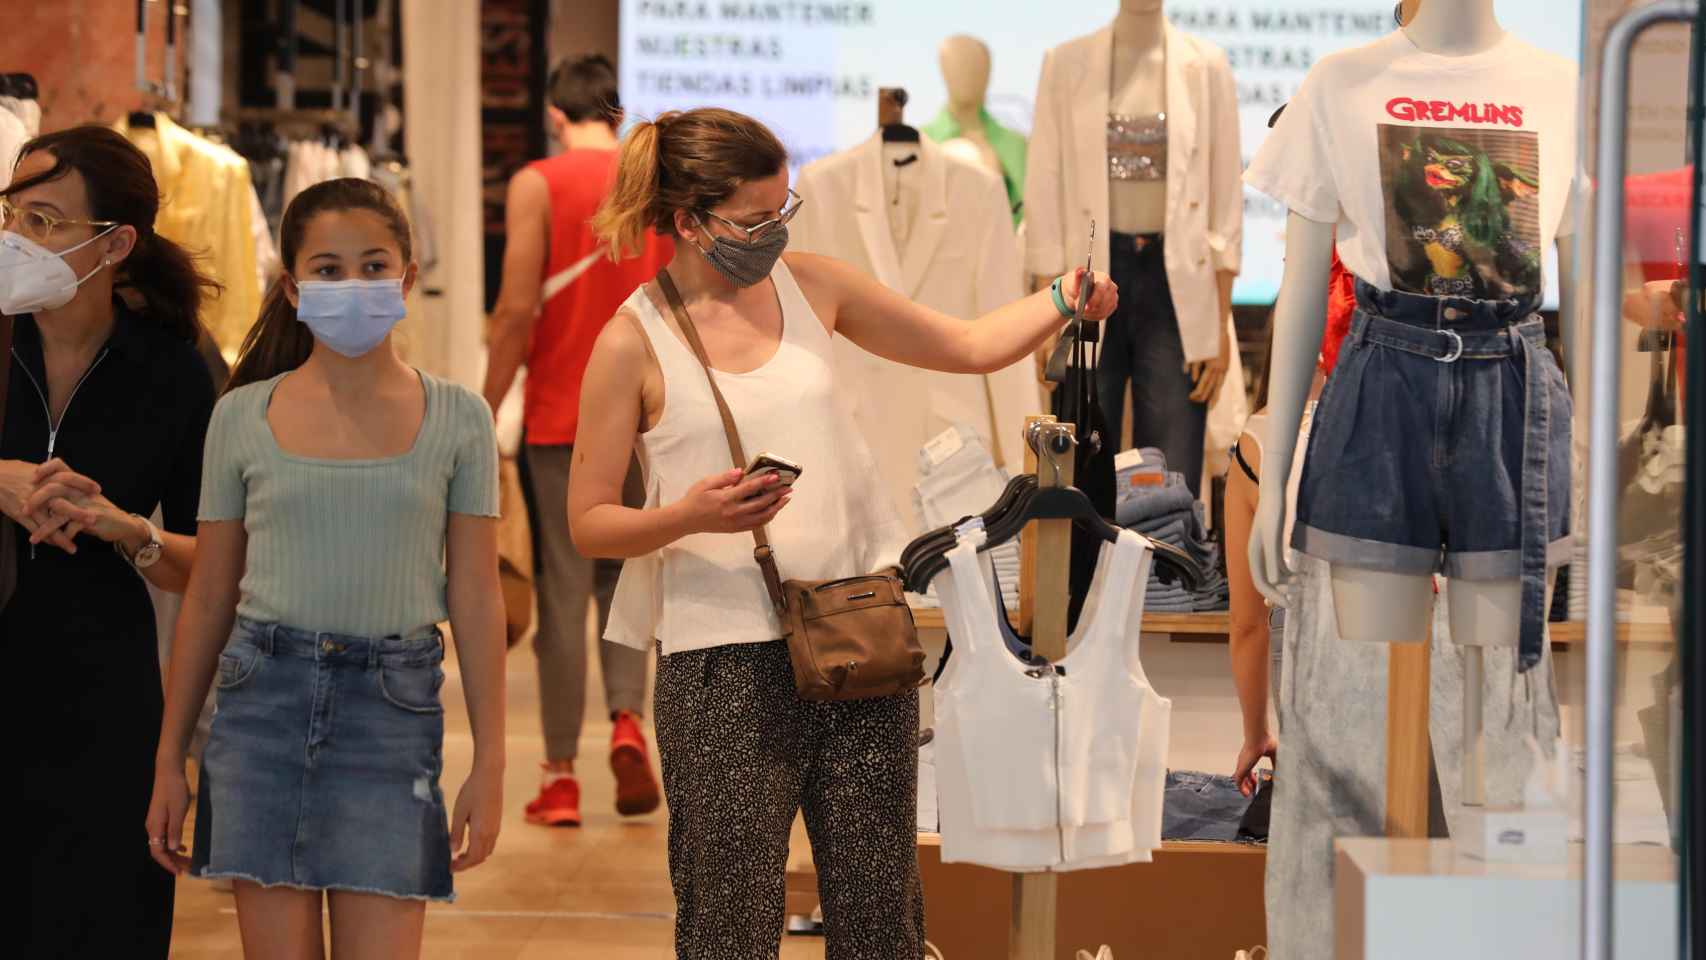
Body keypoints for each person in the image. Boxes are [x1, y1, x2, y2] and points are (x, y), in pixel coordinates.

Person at [569, 107, 1118, 957]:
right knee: (727, 923)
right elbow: (589, 520)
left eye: (784, 211)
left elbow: (967, 346)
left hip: (857, 628)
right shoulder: (630, 342)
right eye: (756, 220)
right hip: (718, 664)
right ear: (687, 221)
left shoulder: (814, 285)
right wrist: (691, 514)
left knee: (880, 918)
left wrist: (1061, 298)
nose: (774, 236)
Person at [146, 178, 507, 957]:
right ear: (293, 285)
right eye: (330, 269)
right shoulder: (241, 415)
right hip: (259, 708)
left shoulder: (460, 418)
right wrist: (170, 756)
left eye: (375, 266)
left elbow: (478, 596)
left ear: (408, 276)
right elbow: (209, 593)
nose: (355, 285)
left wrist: (492, 759)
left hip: (392, 710)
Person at [2, 125, 218, 958]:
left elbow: (213, 565)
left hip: (100, 699)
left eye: (46, 220)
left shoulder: (174, 367)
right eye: (12, 214)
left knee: (100, 924)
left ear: (116, 244)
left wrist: (128, 530)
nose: (18, 239)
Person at [483, 53, 670, 827]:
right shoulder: (650, 180)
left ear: (556, 115)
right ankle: (628, 721)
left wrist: (483, 405)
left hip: (562, 415)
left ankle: (559, 776)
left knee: (561, 596)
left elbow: (517, 308)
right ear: (617, 115)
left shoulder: (539, 183)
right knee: (627, 584)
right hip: (648, 417)